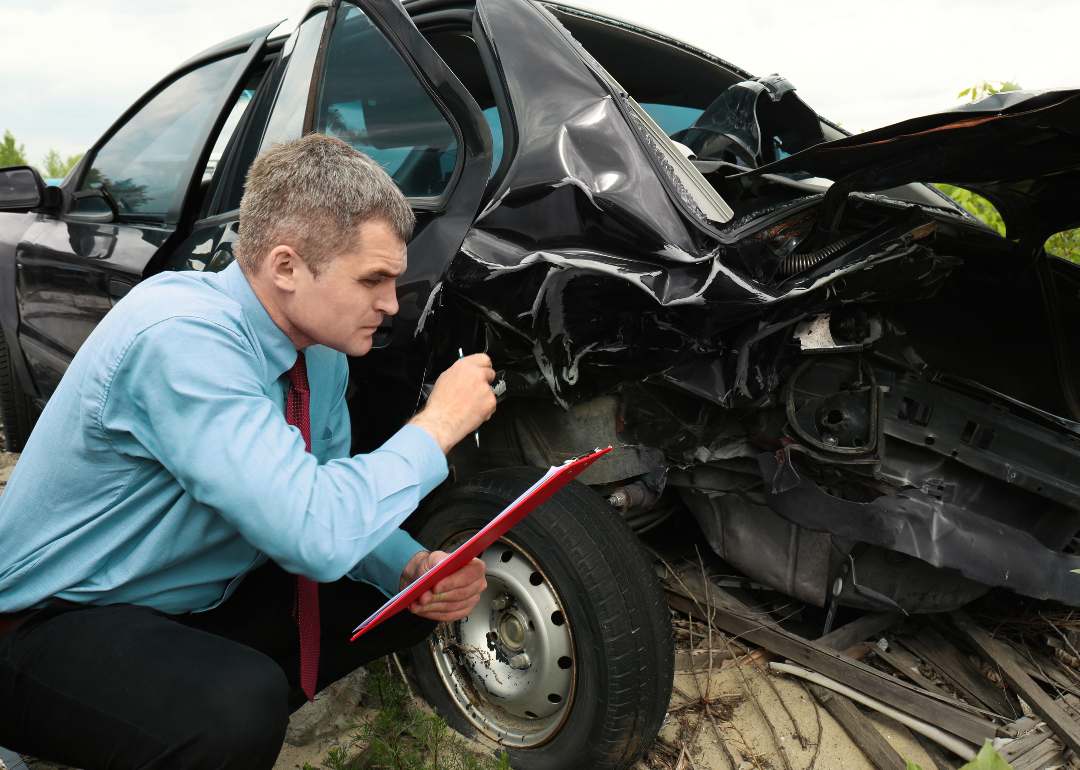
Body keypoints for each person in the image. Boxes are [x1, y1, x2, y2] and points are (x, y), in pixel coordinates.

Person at [0, 134, 497, 769]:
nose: (391, 305)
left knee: (399, 599)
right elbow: (313, 531)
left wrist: (410, 566)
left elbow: (324, 484)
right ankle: (146, 722)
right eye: (373, 279)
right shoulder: (181, 338)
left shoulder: (319, 350)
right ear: (285, 268)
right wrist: (438, 425)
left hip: (191, 601)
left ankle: (164, 725)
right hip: (57, 619)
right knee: (233, 709)